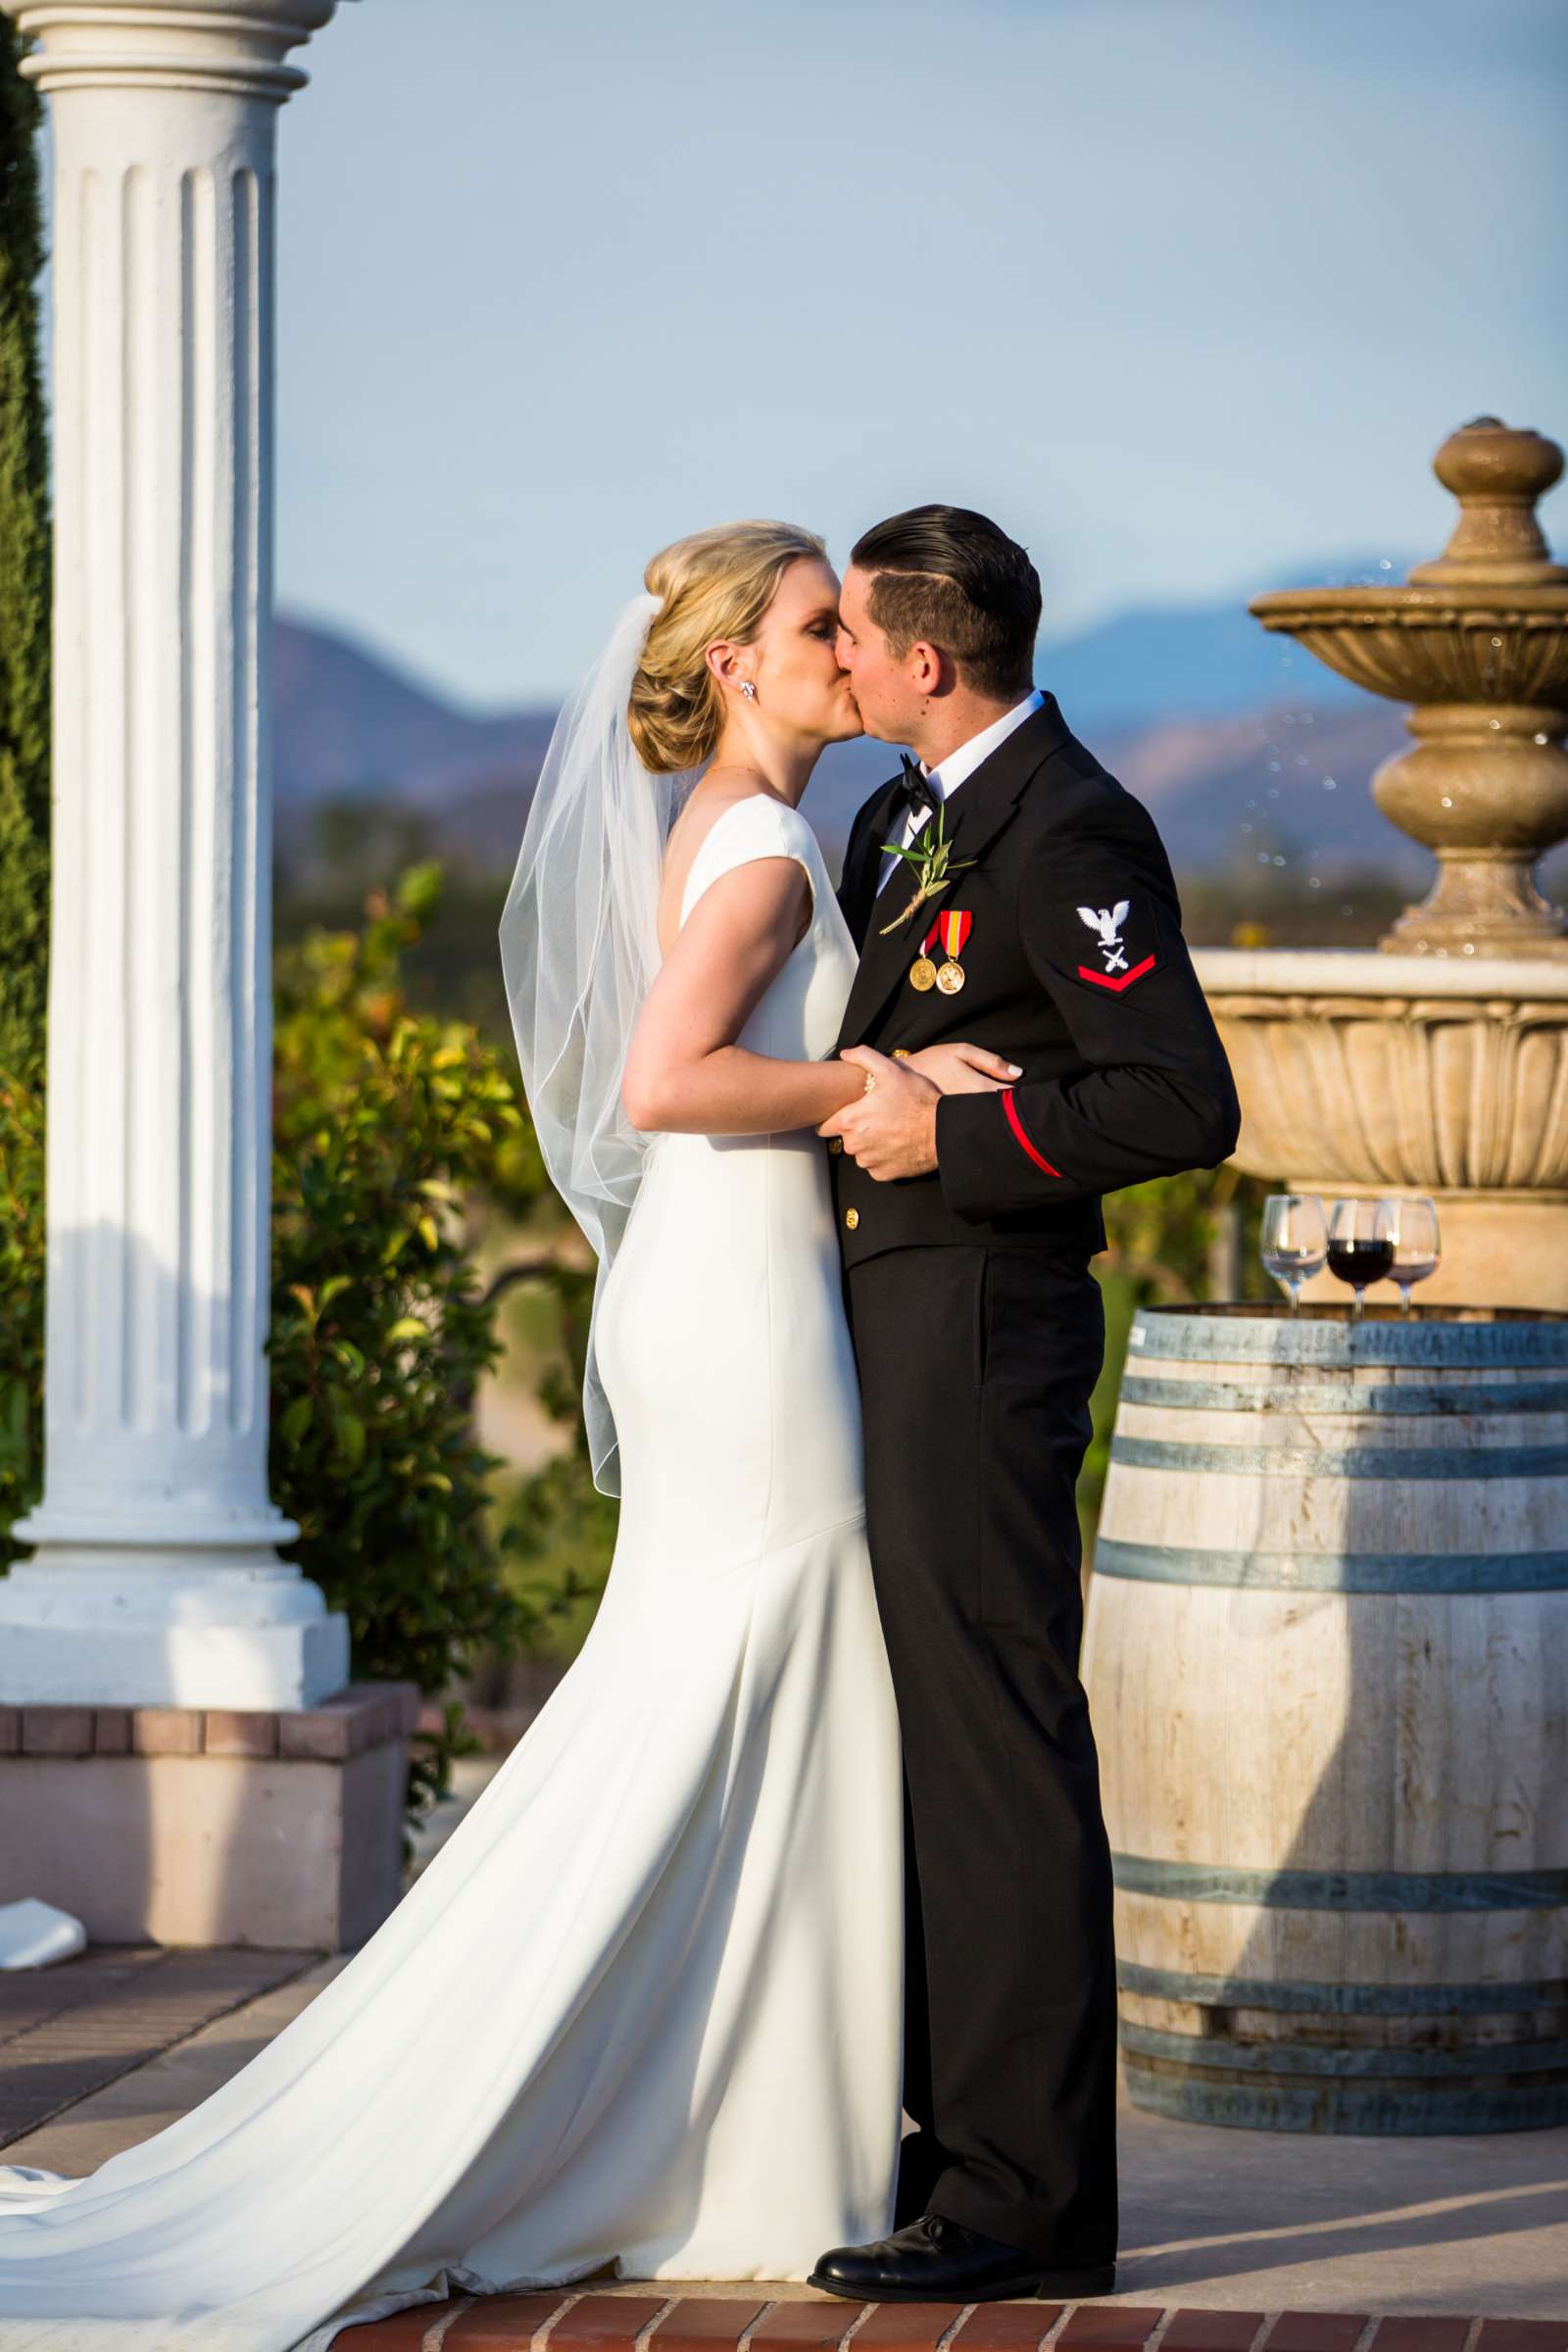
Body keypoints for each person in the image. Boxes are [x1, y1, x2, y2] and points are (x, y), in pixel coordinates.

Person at [0, 521, 1019, 2352]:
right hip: (747, 1312)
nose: (848, 651)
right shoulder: (773, 848)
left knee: (727, 1686)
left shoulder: (727, 822)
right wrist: (872, 1082)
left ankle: (745, 2141)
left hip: (726, 1290)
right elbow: (666, 1081)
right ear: (733, 664)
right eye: (815, 627)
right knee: (759, 1671)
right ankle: (739, 2154)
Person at [807, 506, 1241, 2305]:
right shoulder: (897, 812)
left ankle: (1024, 2199)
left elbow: (1178, 1101)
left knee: (996, 1743)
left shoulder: (1074, 826)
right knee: (929, 1737)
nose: (833, 654)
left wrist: (955, 1131)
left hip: (985, 1330)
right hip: (886, 1318)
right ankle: (936, 2144)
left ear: (923, 658)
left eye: (848, 630)